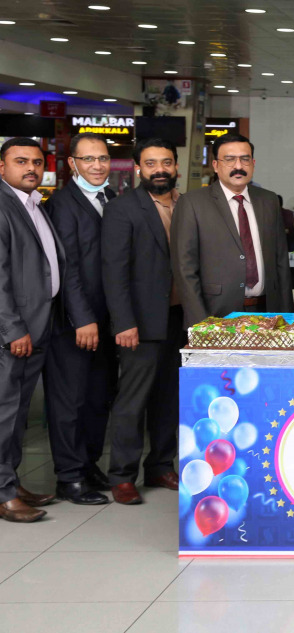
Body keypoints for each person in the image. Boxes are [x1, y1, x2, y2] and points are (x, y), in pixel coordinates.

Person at [0, 138, 96, 522]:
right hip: (16, 334)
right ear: (1, 166)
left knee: (19, 414)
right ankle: (4, 494)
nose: (31, 168)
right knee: (5, 413)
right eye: (21, 161)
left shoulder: (34, 203)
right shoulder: (3, 206)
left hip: (41, 327)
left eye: (37, 162)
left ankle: (10, 481)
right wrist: (13, 329)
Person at [101, 138, 184, 505]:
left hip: (180, 319)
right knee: (133, 401)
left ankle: (161, 465)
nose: (160, 170)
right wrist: (123, 322)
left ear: (176, 166)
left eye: (166, 162)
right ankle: (122, 475)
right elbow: (114, 271)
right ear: (139, 168)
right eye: (151, 164)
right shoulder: (123, 209)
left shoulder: (187, 204)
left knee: (170, 398)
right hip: (140, 322)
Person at [42, 133, 117, 503]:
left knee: (98, 398)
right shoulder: (63, 204)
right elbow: (66, 267)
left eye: (102, 158)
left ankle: (88, 465)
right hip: (75, 323)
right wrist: (82, 318)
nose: (98, 166)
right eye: (88, 159)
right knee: (69, 401)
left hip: (107, 322)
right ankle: (69, 477)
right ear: (72, 163)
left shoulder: (111, 198)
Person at [171, 134, 293, 327]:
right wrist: (199, 322)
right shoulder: (193, 203)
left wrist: (287, 317)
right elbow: (185, 269)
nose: (238, 166)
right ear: (215, 165)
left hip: (268, 312)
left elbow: (280, 262)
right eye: (229, 159)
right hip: (215, 313)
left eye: (245, 159)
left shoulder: (268, 201)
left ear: (253, 163)